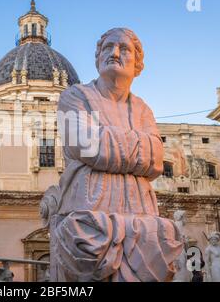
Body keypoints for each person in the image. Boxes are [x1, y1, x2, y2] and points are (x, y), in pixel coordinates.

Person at [49, 28, 182, 282]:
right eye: (108, 47)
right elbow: (84, 145)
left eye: (124, 49)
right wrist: (137, 146)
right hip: (88, 210)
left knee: (164, 235)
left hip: (141, 210)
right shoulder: (74, 96)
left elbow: (156, 159)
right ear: (98, 57)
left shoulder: (143, 108)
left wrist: (104, 138)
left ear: (138, 64)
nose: (115, 53)